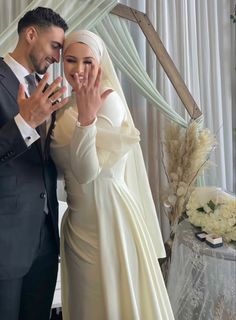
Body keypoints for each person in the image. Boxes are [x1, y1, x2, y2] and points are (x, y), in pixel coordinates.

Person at [51, 30, 175, 320]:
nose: (78, 70)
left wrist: (86, 120)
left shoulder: (109, 101)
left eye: (87, 62)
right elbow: (62, 170)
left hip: (109, 219)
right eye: (71, 60)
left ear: (100, 63)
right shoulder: (64, 106)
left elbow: (86, 171)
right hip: (77, 223)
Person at [0, 7, 68, 320]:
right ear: (30, 35)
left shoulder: (48, 93)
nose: (58, 57)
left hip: (45, 239)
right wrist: (25, 122)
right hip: (5, 241)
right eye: (55, 46)